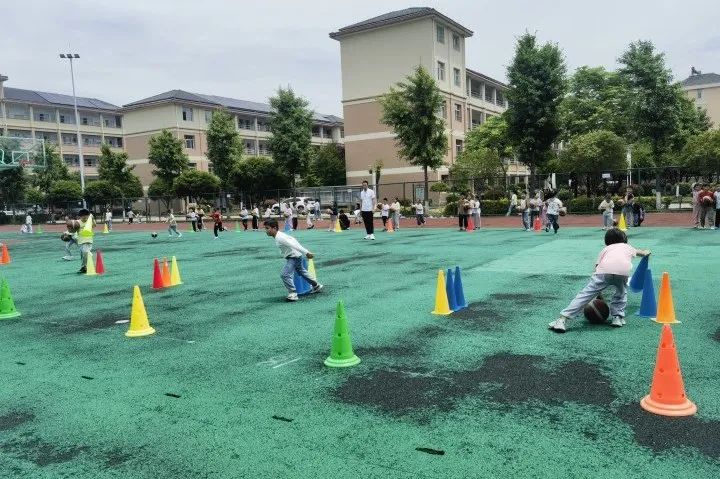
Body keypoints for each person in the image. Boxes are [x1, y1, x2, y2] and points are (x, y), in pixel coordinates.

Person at [548, 228, 651, 333]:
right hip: (622, 272)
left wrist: (598, 289)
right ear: (624, 239)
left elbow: (597, 267)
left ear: (607, 241)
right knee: (621, 293)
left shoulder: (605, 249)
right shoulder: (627, 247)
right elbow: (640, 253)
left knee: (584, 295)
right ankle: (617, 318)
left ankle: (562, 319)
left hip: (603, 272)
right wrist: (646, 252)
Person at [264, 218, 323, 301]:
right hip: (295, 256)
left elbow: (294, 244)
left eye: (267, 228)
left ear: (274, 228)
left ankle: (293, 293)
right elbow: (293, 240)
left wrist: (306, 252)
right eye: (265, 228)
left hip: (293, 257)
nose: (266, 230)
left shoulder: (280, 237)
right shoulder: (279, 235)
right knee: (301, 271)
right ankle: (316, 286)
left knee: (284, 274)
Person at [76, 209, 96, 274]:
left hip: (88, 240)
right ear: (80, 216)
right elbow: (72, 229)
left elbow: (94, 225)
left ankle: (88, 263)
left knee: (86, 252)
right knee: (83, 255)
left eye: (86, 216)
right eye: (83, 217)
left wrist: (92, 219)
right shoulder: (77, 222)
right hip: (80, 241)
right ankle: (83, 267)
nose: (85, 218)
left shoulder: (89, 221)